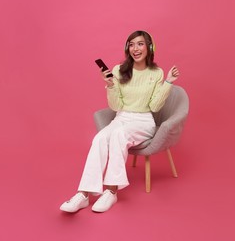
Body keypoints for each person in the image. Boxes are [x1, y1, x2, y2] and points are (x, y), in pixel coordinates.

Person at [60, 30, 179, 213]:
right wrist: (110, 85)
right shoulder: (118, 70)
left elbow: (155, 107)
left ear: (149, 47)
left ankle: (111, 191)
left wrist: (168, 83)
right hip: (121, 117)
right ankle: (83, 194)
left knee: (118, 135)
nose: (135, 48)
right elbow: (116, 106)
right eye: (131, 44)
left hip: (143, 120)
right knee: (100, 138)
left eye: (140, 44)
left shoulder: (156, 73)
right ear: (127, 48)